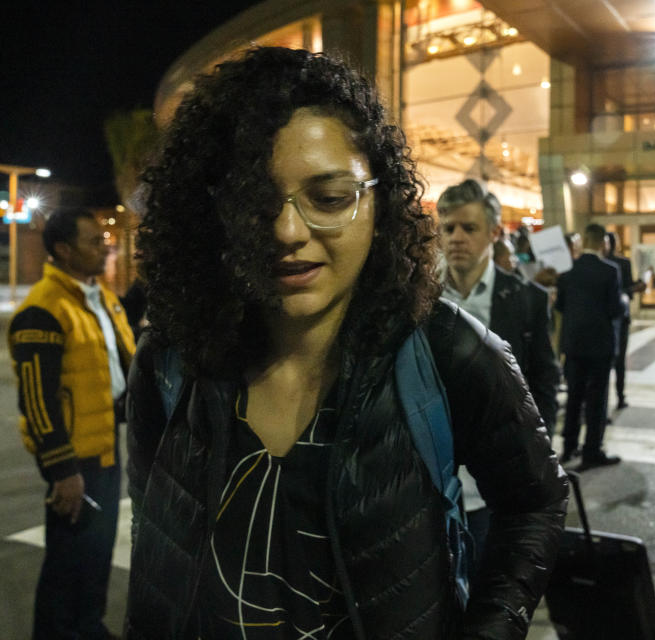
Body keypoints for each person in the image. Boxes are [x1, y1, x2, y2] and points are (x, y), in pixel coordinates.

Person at [125, 48, 568, 640]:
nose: (287, 231)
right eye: (256, 202)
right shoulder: (170, 361)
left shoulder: (446, 351)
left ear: (379, 201)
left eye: (329, 199)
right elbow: (155, 543)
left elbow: (535, 502)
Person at [9, 206, 136, 639]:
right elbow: (37, 401)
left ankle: (88, 627)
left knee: (96, 554)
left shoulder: (99, 298)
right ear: (63, 250)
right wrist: (62, 470)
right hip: (74, 460)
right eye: (93, 242)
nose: (106, 247)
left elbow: (112, 372)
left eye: (104, 240)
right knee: (68, 562)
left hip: (103, 448)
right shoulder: (43, 310)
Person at [436, 178, 561, 565]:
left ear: (493, 233)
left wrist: (534, 456)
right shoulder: (419, 297)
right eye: (448, 228)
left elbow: (544, 381)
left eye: (468, 228)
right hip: (433, 478)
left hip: (497, 480)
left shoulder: (526, 301)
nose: (456, 237)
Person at [556, 223, 623, 469]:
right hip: (600, 346)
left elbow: (560, 306)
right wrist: (624, 302)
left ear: (583, 241)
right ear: (603, 243)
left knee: (574, 397)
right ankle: (592, 451)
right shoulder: (610, 271)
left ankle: (568, 446)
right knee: (596, 400)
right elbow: (614, 309)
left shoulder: (568, 270)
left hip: (573, 345)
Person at [605, 231, 645, 410]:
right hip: (621, 317)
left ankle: (605, 401)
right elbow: (628, 289)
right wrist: (639, 286)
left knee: (605, 363)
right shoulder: (622, 263)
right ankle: (620, 396)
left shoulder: (603, 265)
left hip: (605, 319)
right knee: (620, 360)